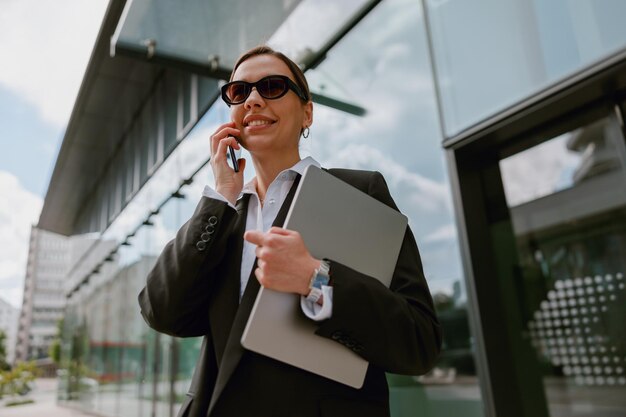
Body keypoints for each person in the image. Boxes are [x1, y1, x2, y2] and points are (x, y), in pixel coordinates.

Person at [138, 45, 442, 417]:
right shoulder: (222, 216)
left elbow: (419, 341)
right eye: (239, 91)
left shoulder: (361, 193)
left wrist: (316, 279)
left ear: (307, 113)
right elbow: (161, 311)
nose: (252, 99)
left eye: (272, 87)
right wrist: (221, 195)